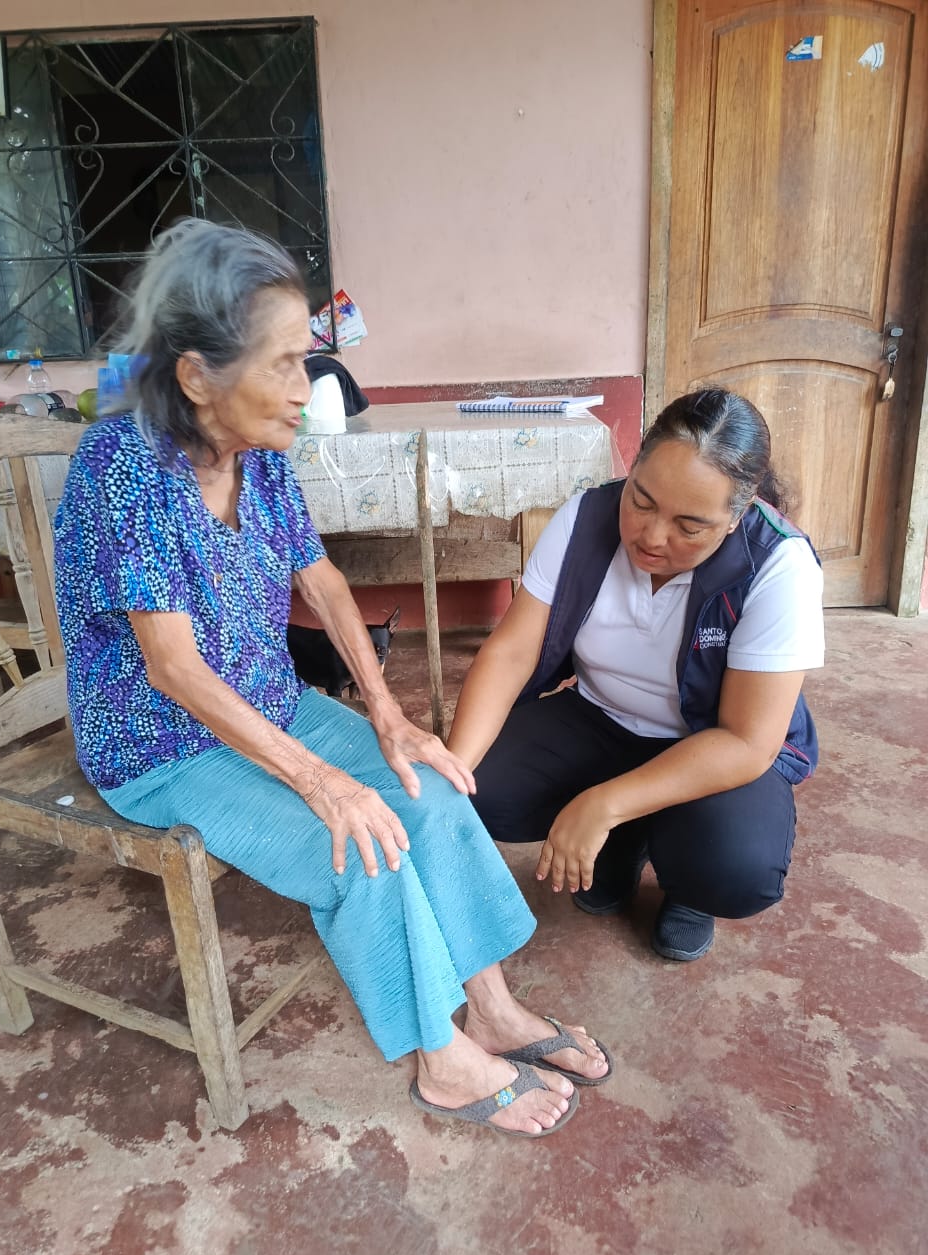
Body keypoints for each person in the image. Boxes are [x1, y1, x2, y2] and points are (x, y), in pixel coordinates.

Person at [53, 218, 610, 1139]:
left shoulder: (260, 454)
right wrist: (321, 782)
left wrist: (387, 716)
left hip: (270, 705)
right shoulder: (124, 468)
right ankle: (442, 1059)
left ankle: (493, 1010)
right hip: (162, 745)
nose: (301, 387)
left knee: (425, 785)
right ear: (196, 375)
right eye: (280, 363)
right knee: (364, 838)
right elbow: (173, 668)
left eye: (302, 358)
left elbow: (322, 581)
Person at [448, 389, 824, 962]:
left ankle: (686, 887)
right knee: (479, 788)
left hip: (709, 744)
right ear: (634, 464)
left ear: (736, 517)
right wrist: (452, 773)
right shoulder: (584, 519)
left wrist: (602, 804)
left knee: (734, 865)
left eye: (689, 526)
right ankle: (623, 840)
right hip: (600, 717)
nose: (651, 536)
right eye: (641, 500)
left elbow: (748, 741)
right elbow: (511, 653)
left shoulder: (777, 563)